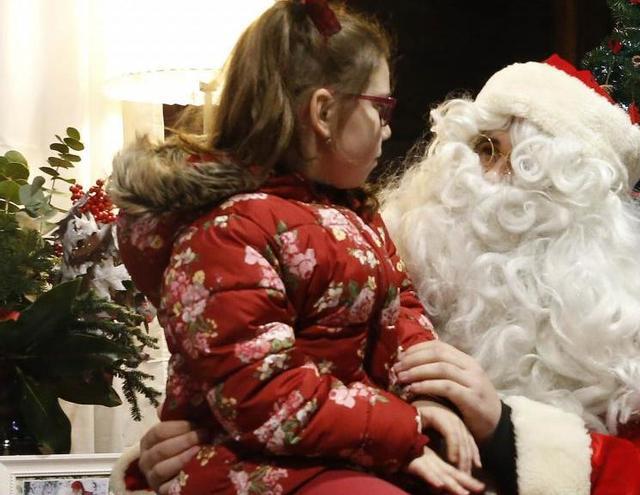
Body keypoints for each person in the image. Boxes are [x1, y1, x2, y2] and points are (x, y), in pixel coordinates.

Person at [119, 54, 640, 495]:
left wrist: (504, 427)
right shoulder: (377, 256)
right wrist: (176, 449)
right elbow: (260, 379)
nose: (483, 180)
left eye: (515, 163)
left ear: (582, 206)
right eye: (477, 148)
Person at [107, 1, 484, 494]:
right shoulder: (227, 232)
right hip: (247, 459)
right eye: (381, 107)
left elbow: (400, 312)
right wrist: (401, 428)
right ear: (324, 113)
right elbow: (260, 393)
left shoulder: (356, 215)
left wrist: (425, 398)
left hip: (343, 443)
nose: (389, 127)